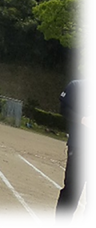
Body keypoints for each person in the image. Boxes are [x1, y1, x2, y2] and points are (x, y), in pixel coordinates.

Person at [52, 65, 93, 228]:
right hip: (79, 148)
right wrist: (82, 120)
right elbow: (63, 109)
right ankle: (61, 224)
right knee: (72, 190)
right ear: (92, 68)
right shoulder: (77, 86)